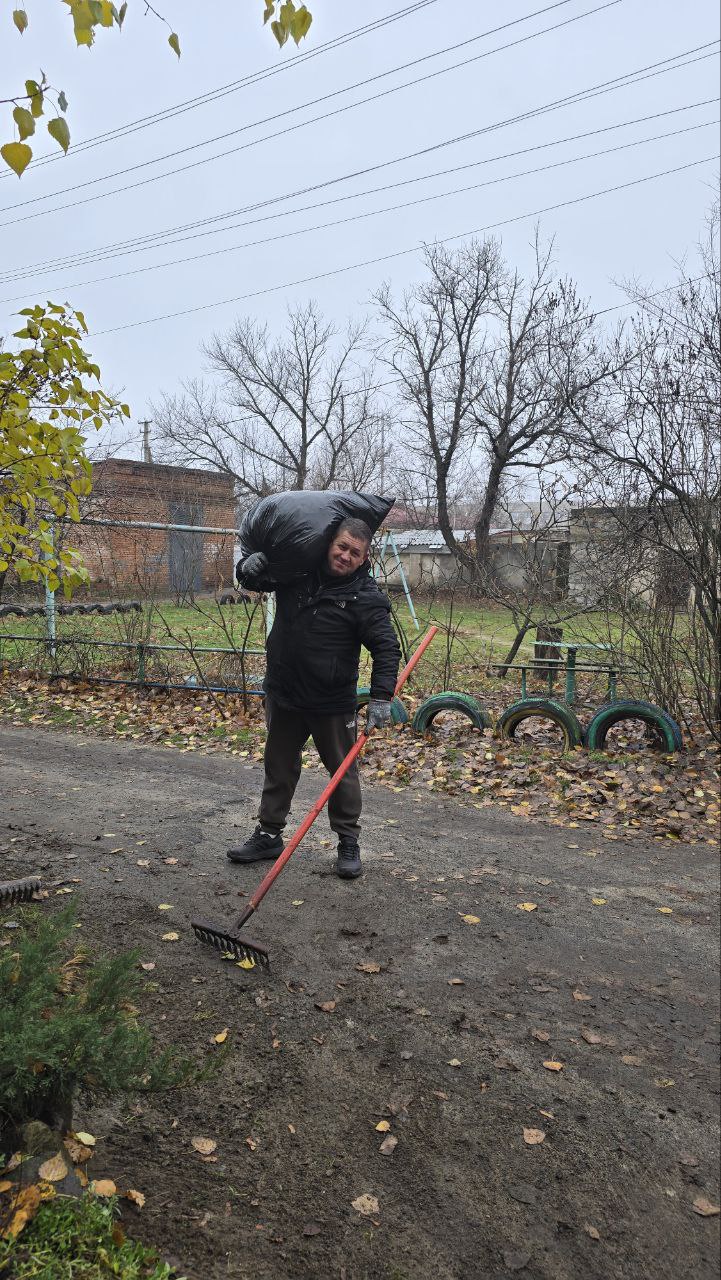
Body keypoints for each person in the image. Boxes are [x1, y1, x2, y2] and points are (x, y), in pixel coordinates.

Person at [227, 518, 401, 879]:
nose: (345, 556)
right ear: (329, 543)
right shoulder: (297, 571)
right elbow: (253, 580)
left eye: (355, 552)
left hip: (331, 704)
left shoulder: (366, 597)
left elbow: (386, 648)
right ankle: (269, 835)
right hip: (285, 694)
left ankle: (348, 842)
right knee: (278, 766)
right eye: (342, 546)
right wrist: (248, 566)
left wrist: (382, 696)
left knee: (342, 774)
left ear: (365, 556)